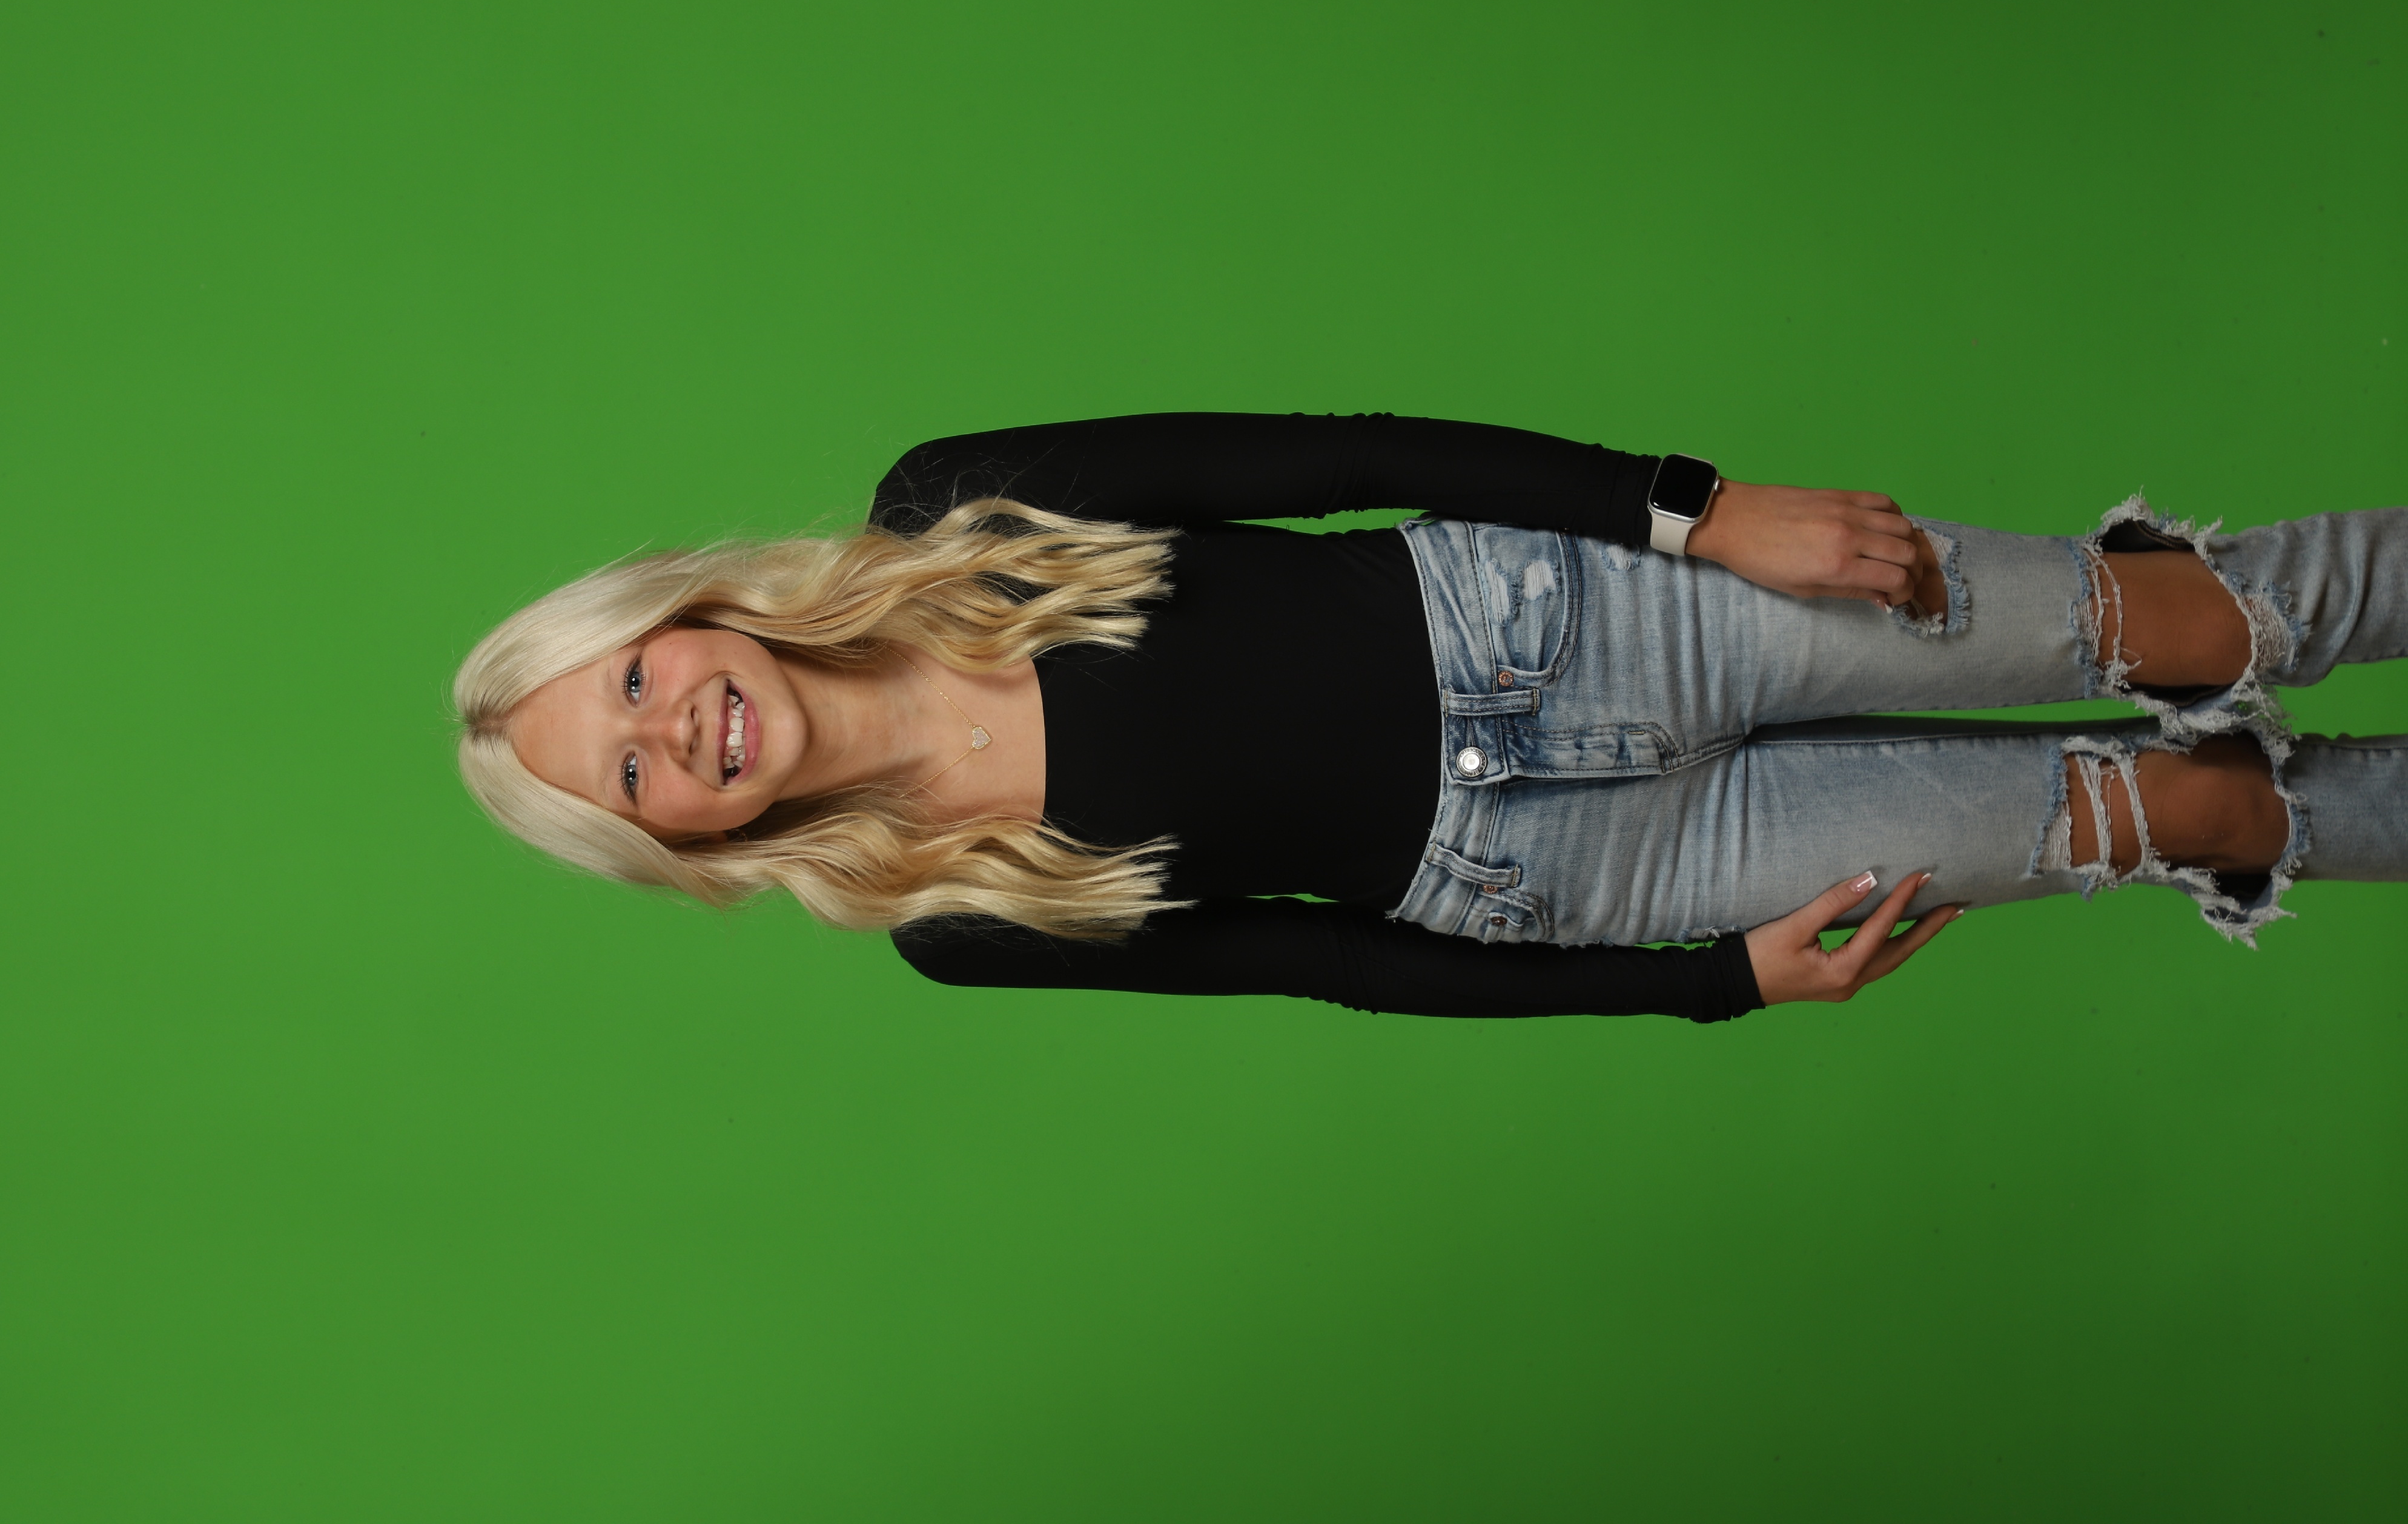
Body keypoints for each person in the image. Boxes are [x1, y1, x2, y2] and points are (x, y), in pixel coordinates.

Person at [453, 412, 2408, 1022]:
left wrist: (1699, 511)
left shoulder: (953, 506)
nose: (671, 732)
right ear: (677, 844)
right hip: (1585, 870)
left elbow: (1340, 452)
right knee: (2196, 816)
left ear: (679, 619)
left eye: (632, 680)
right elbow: (1335, 967)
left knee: (2185, 624)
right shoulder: (955, 921)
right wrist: (1710, 987)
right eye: (627, 778)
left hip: (1609, 623)